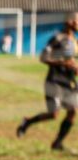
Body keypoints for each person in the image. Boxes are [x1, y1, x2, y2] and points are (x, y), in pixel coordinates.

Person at [16, 12, 78, 151]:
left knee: (73, 111)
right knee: (53, 114)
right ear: (69, 21)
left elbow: (72, 60)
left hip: (69, 82)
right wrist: (63, 63)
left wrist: (74, 68)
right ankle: (27, 122)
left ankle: (57, 143)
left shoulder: (74, 40)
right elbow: (43, 57)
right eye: (77, 21)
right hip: (54, 81)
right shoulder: (57, 38)